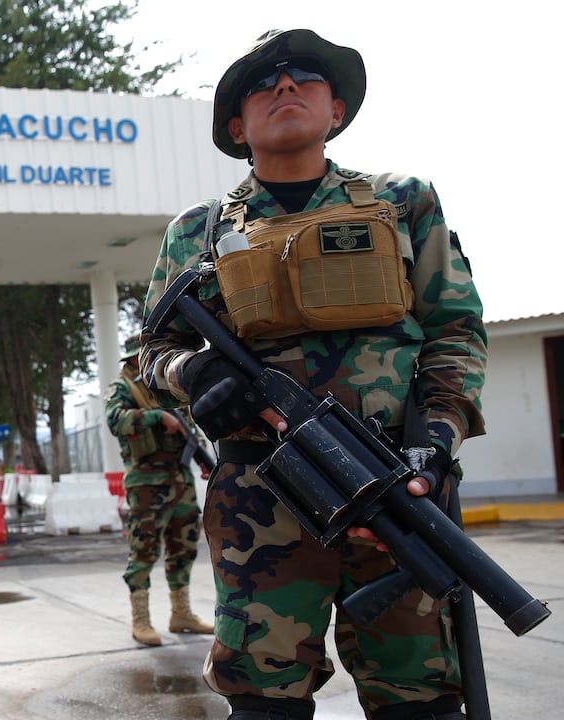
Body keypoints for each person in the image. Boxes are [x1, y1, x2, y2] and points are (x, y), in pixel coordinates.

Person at [137, 29, 486, 720]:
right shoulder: (199, 231)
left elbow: (456, 330)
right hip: (261, 499)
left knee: (420, 696)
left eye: (305, 77)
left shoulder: (402, 202)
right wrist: (194, 373)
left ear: (338, 111)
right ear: (236, 126)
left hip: (397, 487)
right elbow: (149, 354)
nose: (285, 87)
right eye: (262, 83)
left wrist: (437, 441)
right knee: (264, 702)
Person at [105, 334, 214, 646]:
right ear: (133, 359)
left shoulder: (165, 389)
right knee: (144, 549)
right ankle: (141, 620)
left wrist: (200, 459)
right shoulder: (123, 387)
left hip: (180, 479)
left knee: (185, 547)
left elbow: (189, 430)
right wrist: (157, 416)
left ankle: (181, 614)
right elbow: (116, 421)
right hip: (146, 483)